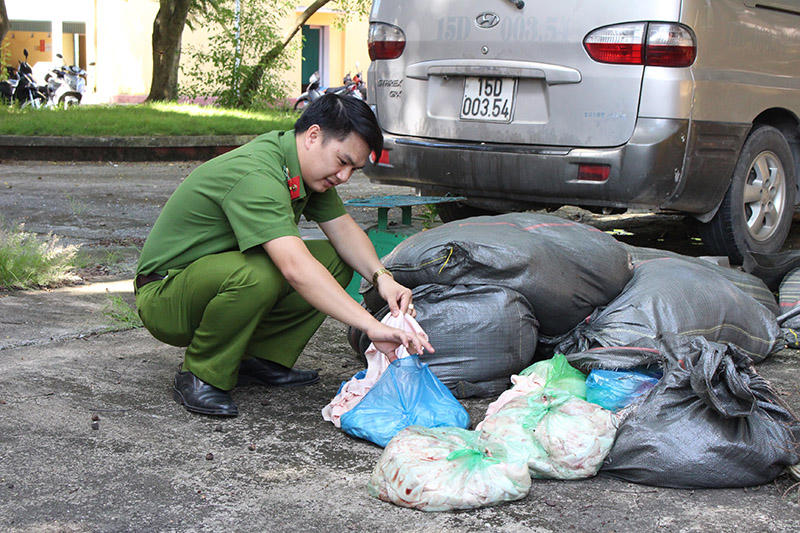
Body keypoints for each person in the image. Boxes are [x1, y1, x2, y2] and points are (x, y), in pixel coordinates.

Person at [134, 93, 433, 417]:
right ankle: (200, 374)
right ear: (313, 135)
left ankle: (260, 358)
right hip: (166, 296)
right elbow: (295, 268)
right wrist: (370, 326)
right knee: (262, 274)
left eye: (354, 169)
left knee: (333, 261)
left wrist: (382, 278)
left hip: (210, 276)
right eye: (342, 161)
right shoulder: (258, 174)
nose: (344, 176)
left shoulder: (303, 168)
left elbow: (344, 232)